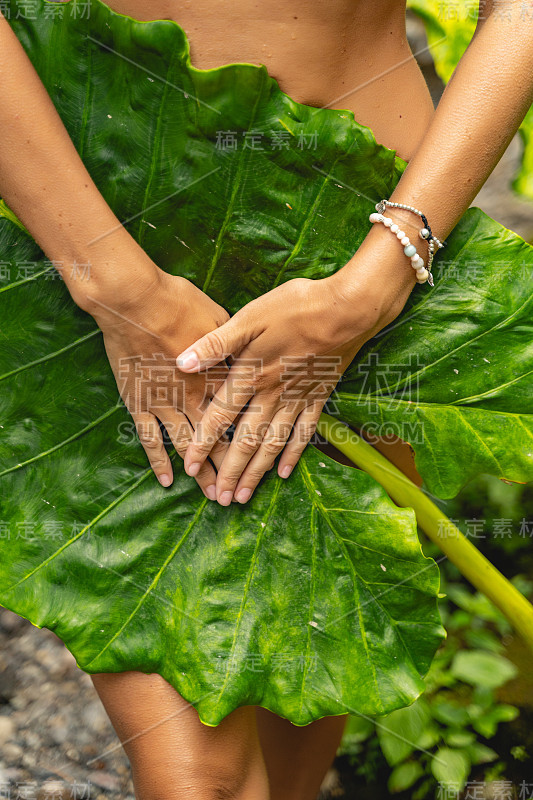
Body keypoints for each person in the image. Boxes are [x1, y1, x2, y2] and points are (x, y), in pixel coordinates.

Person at [1, 1, 532, 798]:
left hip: (363, 246)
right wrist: (116, 286)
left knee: (304, 686)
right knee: (197, 777)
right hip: (112, 234)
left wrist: (371, 288)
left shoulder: (370, 283)